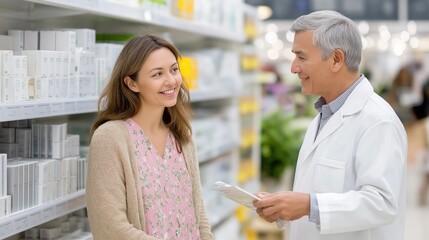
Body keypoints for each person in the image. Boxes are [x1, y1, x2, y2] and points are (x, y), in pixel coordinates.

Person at [253, 10, 407, 240]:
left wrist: (308, 205)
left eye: (301, 57)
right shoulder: (324, 115)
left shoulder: (377, 120)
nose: (293, 68)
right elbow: (319, 193)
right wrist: (283, 206)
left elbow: (382, 203)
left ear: (336, 59)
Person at [86, 34, 213, 240]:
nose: (171, 80)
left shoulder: (181, 134)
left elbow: (198, 210)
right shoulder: (110, 138)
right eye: (157, 74)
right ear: (131, 83)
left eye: (174, 70)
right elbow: (109, 227)